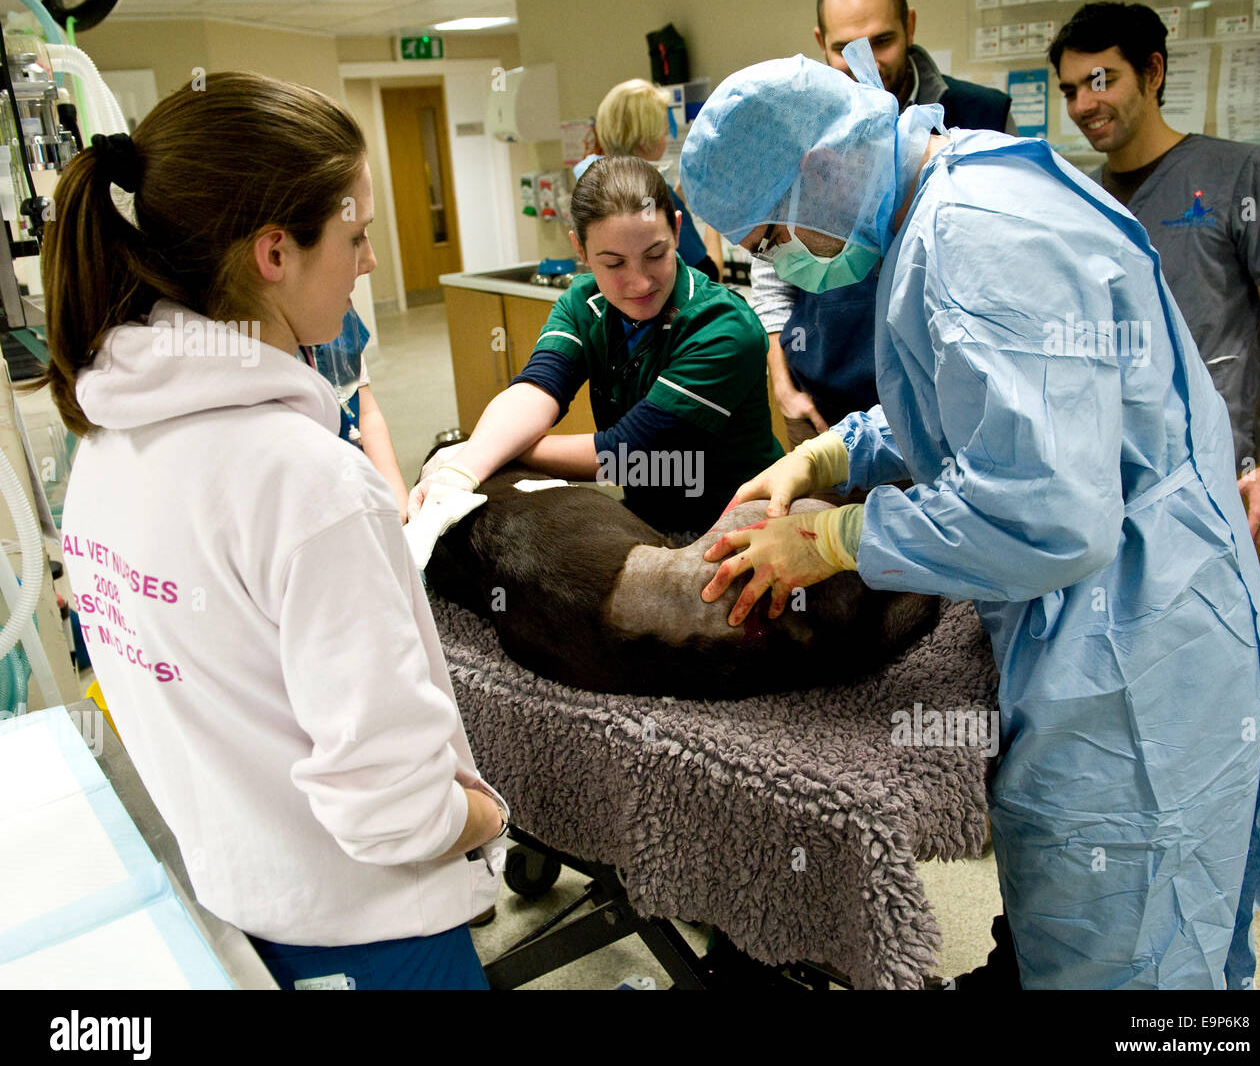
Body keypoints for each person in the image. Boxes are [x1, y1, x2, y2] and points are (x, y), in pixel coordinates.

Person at [679, 42, 1260, 989]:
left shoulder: (974, 237)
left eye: (770, 239)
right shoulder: (958, 187)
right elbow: (971, 400)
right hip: (1148, 598)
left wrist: (838, 539)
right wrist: (831, 452)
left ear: (825, 171)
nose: (780, 264)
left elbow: (1044, 511)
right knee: (1171, 934)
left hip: (1130, 646)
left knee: (1130, 954)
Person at [43, 72, 507, 990]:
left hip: (245, 914)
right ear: (273, 253)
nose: (371, 260)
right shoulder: (306, 484)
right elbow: (394, 809)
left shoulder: (105, 449)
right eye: (355, 235)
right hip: (381, 937)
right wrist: (487, 815)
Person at [410, 155, 783, 535]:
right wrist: (464, 469)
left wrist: (484, 451)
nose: (639, 283)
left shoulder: (722, 327)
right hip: (650, 518)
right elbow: (538, 387)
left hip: (738, 522)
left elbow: (627, 454)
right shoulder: (584, 304)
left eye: (655, 255)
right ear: (581, 251)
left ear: (676, 230)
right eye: (614, 264)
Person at [1051, 2, 1260, 546]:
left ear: (1153, 72)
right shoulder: (1079, 200)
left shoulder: (1242, 174)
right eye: (1070, 90)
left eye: (1100, 80)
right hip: (1106, 493)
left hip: (1216, 487)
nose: (1084, 104)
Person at [754, 0, 1017, 468]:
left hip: (946, 404)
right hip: (823, 401)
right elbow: (772, 263)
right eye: (843, 48)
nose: (862, 62)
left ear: (911, 26)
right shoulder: (801, 133)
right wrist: (780, 376)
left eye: (881, 41)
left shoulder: (984, 117)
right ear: (819, 40)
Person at [594, 78, 723, 280]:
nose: (665, 139)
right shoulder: (654, 195)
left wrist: (680, 194)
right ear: (646, 142)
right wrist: (712, 216)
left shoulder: (595, 183)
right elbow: (709, 277)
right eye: (664, 132)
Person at [308, 302, 410, 521]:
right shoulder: (248, 340)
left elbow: (367, 415)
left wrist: (398, 504)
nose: (368, 266)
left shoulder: (341, 315)